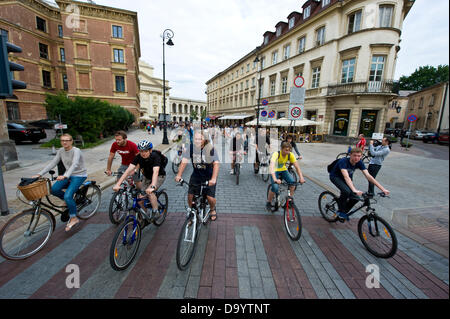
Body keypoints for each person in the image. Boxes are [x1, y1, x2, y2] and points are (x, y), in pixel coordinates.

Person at [32, 134, 87, 232]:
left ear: (71, 141)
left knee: (67, 196)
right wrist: (39, 174)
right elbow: (53, 163)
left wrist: (65, 176)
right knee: (53, 189)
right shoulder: (61, 151)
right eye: (62, 140)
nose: (65, 142)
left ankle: (74, 218)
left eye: (67, 140)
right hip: (67, 174)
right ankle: (70, 201)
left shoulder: (76, 151)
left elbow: (74, 164)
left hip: (79, 175)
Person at [329, 147, 390, 221]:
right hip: (336, 177)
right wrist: (354, 189)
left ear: (361, 156)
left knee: (356, 198)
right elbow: (346, 177)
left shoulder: (359, 162)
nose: (356, 158)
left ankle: (343, 211)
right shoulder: (343, 161)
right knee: (346, 191)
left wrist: (383, 189)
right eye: (354, 155)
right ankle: (341, 210)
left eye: (359, 156)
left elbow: (368, 176)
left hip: (347, 179)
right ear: (350, 155)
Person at [113, 140, 166, 220]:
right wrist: (118, 184)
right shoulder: (138, 157)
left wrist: (152, 186)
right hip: (146, 177)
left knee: (150, 193)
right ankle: (145, 218)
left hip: (159, 176)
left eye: (145, 151)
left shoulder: (155, 157)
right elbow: (128, 170)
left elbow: (156, 172)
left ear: (150, 150)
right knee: (140, 199)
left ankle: (156, 211)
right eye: (141, 151)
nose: (143, 153)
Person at [175, 130, 220, 221]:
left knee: (210, 197)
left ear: (205, 139)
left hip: (209, 177)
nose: (197, 140)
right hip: (196, 175)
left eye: (200, 138)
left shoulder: (210, 148)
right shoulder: (191, 148)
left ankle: (212, 209)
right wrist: (179, 174)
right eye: (196, 138)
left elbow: (216, 163)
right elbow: (184, 161)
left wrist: (214, 179)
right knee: (190, 195)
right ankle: (192, 211)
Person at [266, 141, 305, 211]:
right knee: (275, 187)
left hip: (283, 170)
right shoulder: (276, 154)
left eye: (289, 150)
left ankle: (289, 201)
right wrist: (275, 179)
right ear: (281, 148)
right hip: (274, 171)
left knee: (293, 184)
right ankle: (268, 202)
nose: (288, 152)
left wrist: (301, 177)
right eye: (286, 150)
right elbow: (271, 166)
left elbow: (297, 167)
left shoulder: (290, 155)